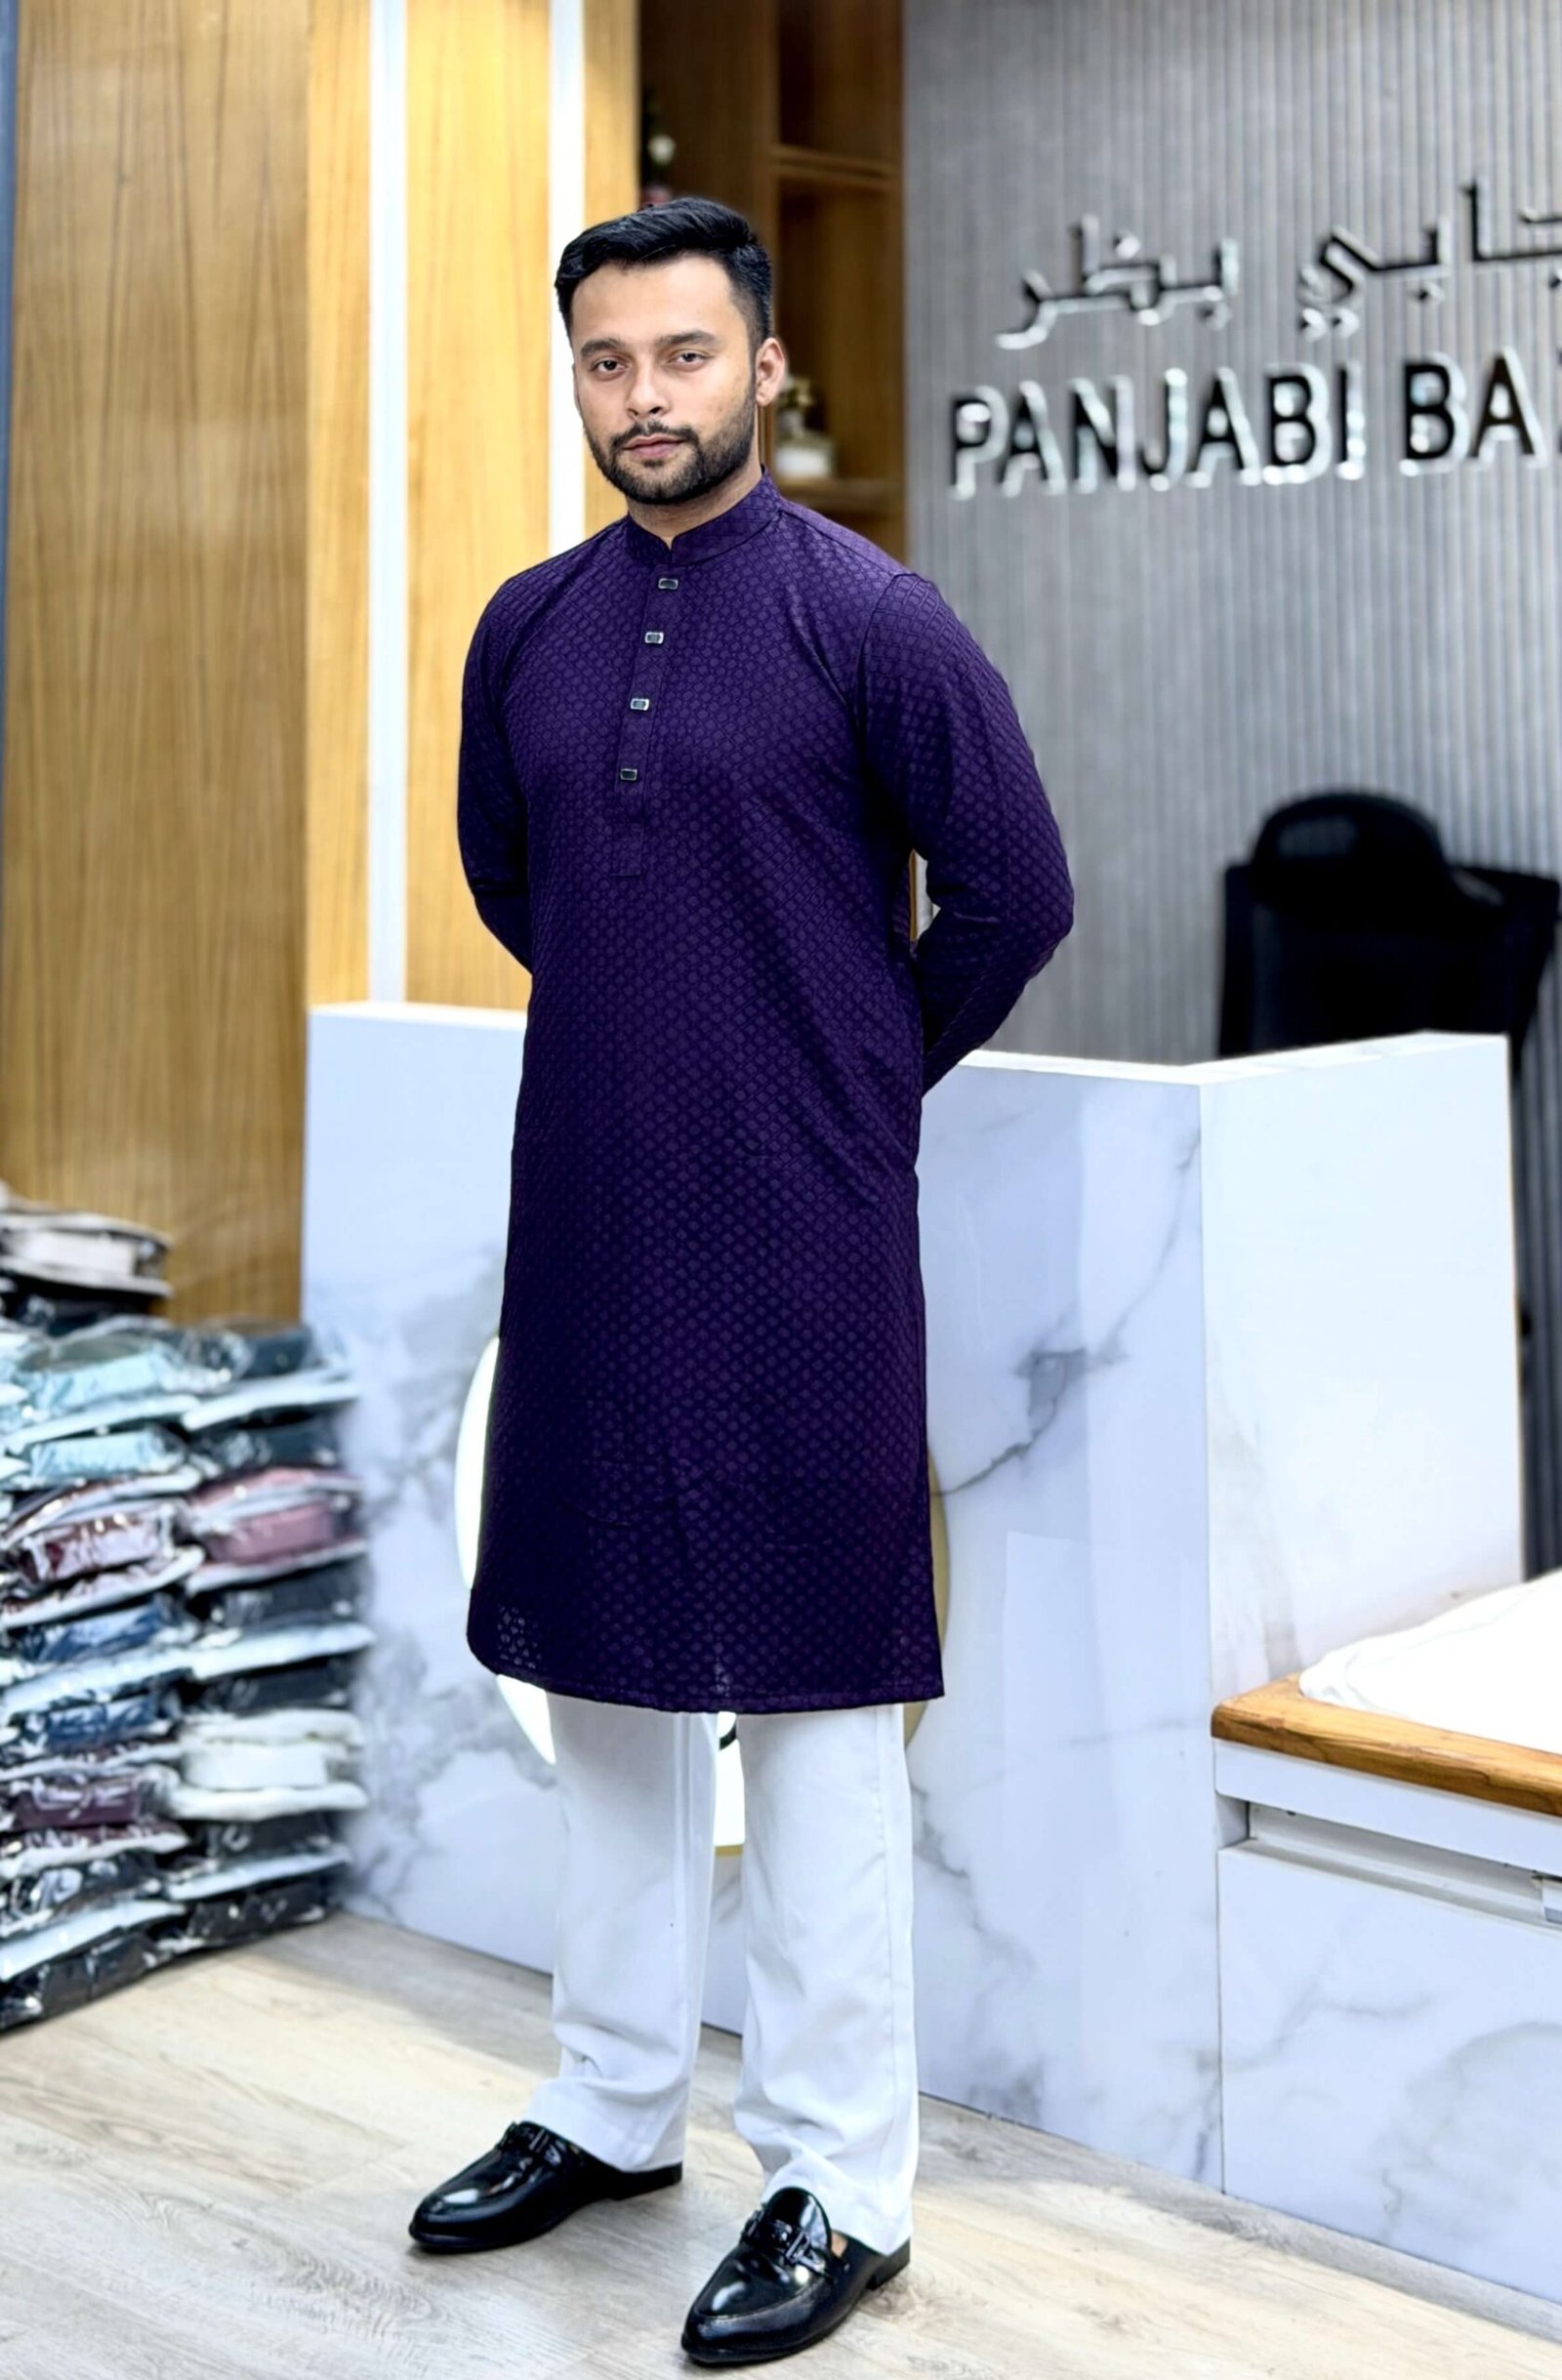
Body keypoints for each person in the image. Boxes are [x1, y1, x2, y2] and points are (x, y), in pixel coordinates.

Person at [410, 195, 1074, 2365]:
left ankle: (841, 2178)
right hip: (592, 1209)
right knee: (600, 1676)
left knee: (810, 1701)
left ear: (764, 366)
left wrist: (843, 1069)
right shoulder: (525, 628)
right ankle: (612, 2103)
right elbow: (512, 875)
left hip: (802, 1228)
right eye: (607, 360)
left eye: (684, 355)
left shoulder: (872, 618)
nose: (644, 398)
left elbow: (1014, 887)